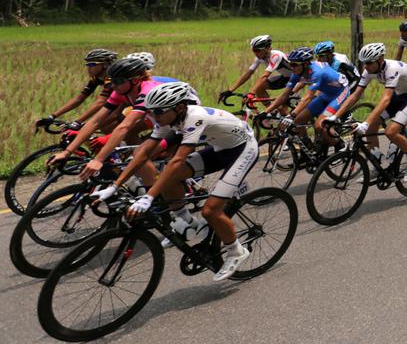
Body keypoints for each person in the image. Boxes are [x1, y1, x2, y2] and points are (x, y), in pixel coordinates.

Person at [91, 82, 258, 282]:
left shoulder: (195, 117)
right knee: (169, 179)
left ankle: (236, 251)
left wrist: (148, 198)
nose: (154, 118)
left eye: (158, 113)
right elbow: (144, 153)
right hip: (219, 148)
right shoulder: (166, 120)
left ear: (178, 108)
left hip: (242, 150)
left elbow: (177, 161)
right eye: (151, 113)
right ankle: (187, 222)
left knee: (211, 210)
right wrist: (114, 186)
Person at [51, 56, 181, 185]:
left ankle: (156, 195)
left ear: (135, 80)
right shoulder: (120, 90)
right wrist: (67, 152)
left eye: (118, 81)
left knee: (139, 156)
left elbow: (124, 126)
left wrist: (98, 160)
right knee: (133, 149)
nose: (113, 86)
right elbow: (96, 121)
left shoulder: (147, 91)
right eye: (111, 81)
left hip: (180, 121)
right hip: (160, 117)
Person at [331, 42, 407, 182]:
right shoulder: (368, 70)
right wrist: (335, 116)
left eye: (369, 63)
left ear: (380, 60)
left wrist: (365, 123)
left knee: (390, 131)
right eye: (364, 63)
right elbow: (355, 96)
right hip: (399, 93)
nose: (365, 67)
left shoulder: (392, 69)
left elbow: (386, 99)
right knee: (370, 129)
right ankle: (377, 164)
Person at [269, 47, 349, 152]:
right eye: (290, 64)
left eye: (294, 65)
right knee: (298, 122)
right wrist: (266, 111)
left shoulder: (317, 72)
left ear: (305, 64)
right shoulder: (297, 72)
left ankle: (340, 145)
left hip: (339, 94)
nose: (291, 67)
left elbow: (308, 97)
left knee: (320, 126)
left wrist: (292, 115)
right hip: (326, 94)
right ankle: (308, 150)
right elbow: (285, 95)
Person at [39, 48, 118, 133]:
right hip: (115, 106)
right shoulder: (96, 78)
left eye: (91, 65)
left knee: (105, 126)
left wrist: (78, 122)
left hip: (126, 107)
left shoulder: (112, 79)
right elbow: (79, 99)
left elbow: (100, 102)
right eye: (87, 65)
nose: (88, 68)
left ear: (105, 65)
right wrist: (52, 116)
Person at [219, 35, 292, 104]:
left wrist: (251, 93)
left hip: (298, 79)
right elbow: (248, 74)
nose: (255, 53)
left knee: (281, 104)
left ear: (267, 49)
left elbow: (264, 76)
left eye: (258, 50)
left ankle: (288, 115)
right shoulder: (259, 58)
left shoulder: (276, 56)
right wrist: (230, 90)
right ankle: (271, 113)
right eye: (253, 50)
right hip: (286, 77)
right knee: (259, 88)